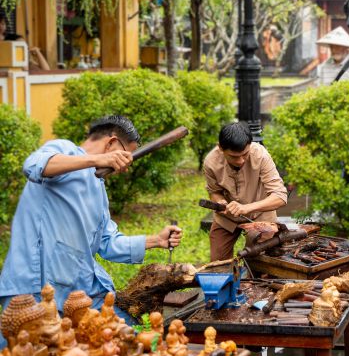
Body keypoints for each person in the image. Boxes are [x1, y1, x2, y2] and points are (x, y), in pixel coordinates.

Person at [0, 115, 182, 329]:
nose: (125, 165)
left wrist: (156, 240)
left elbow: (108, 243)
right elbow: (33, 165)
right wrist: (96, 160)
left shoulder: (98, 188)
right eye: (126, 155)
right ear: (111, 143)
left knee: (125, 339)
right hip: (33, 292)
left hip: (77, 292)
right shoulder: (64, 150)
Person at [203, 122, 288, 261]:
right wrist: (221, 203)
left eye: (245, 154)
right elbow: (214, 191)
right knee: (218, 264)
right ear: (220, 148)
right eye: (234, 156)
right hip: (227, 217)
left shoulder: (260, 156)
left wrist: (245, 208)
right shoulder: (210, 162)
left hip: (261, 215)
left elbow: (280, 196)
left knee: (260, 263)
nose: (241, 160)